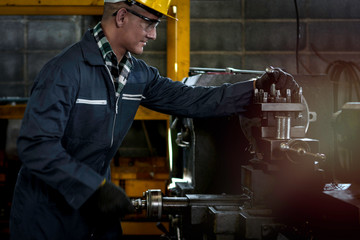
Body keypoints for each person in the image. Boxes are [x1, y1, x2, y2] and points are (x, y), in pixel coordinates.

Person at [9, 0, 299, 239]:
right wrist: (93, 189)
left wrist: (255, 88)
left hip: (96, 211)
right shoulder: (65, 72)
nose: (153, 35)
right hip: (46, 216)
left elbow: (193, 100)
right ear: (122, 15)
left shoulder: (137, 76)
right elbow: (37, 145)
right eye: (149, 23)